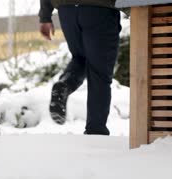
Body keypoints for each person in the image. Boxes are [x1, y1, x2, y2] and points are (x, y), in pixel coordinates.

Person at [39, 0, 121, 135]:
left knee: (81, 58)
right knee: (99, 72)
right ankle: (95, 131)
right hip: (100, 9)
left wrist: (45, 16)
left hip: (67, 10)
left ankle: (64, 85)